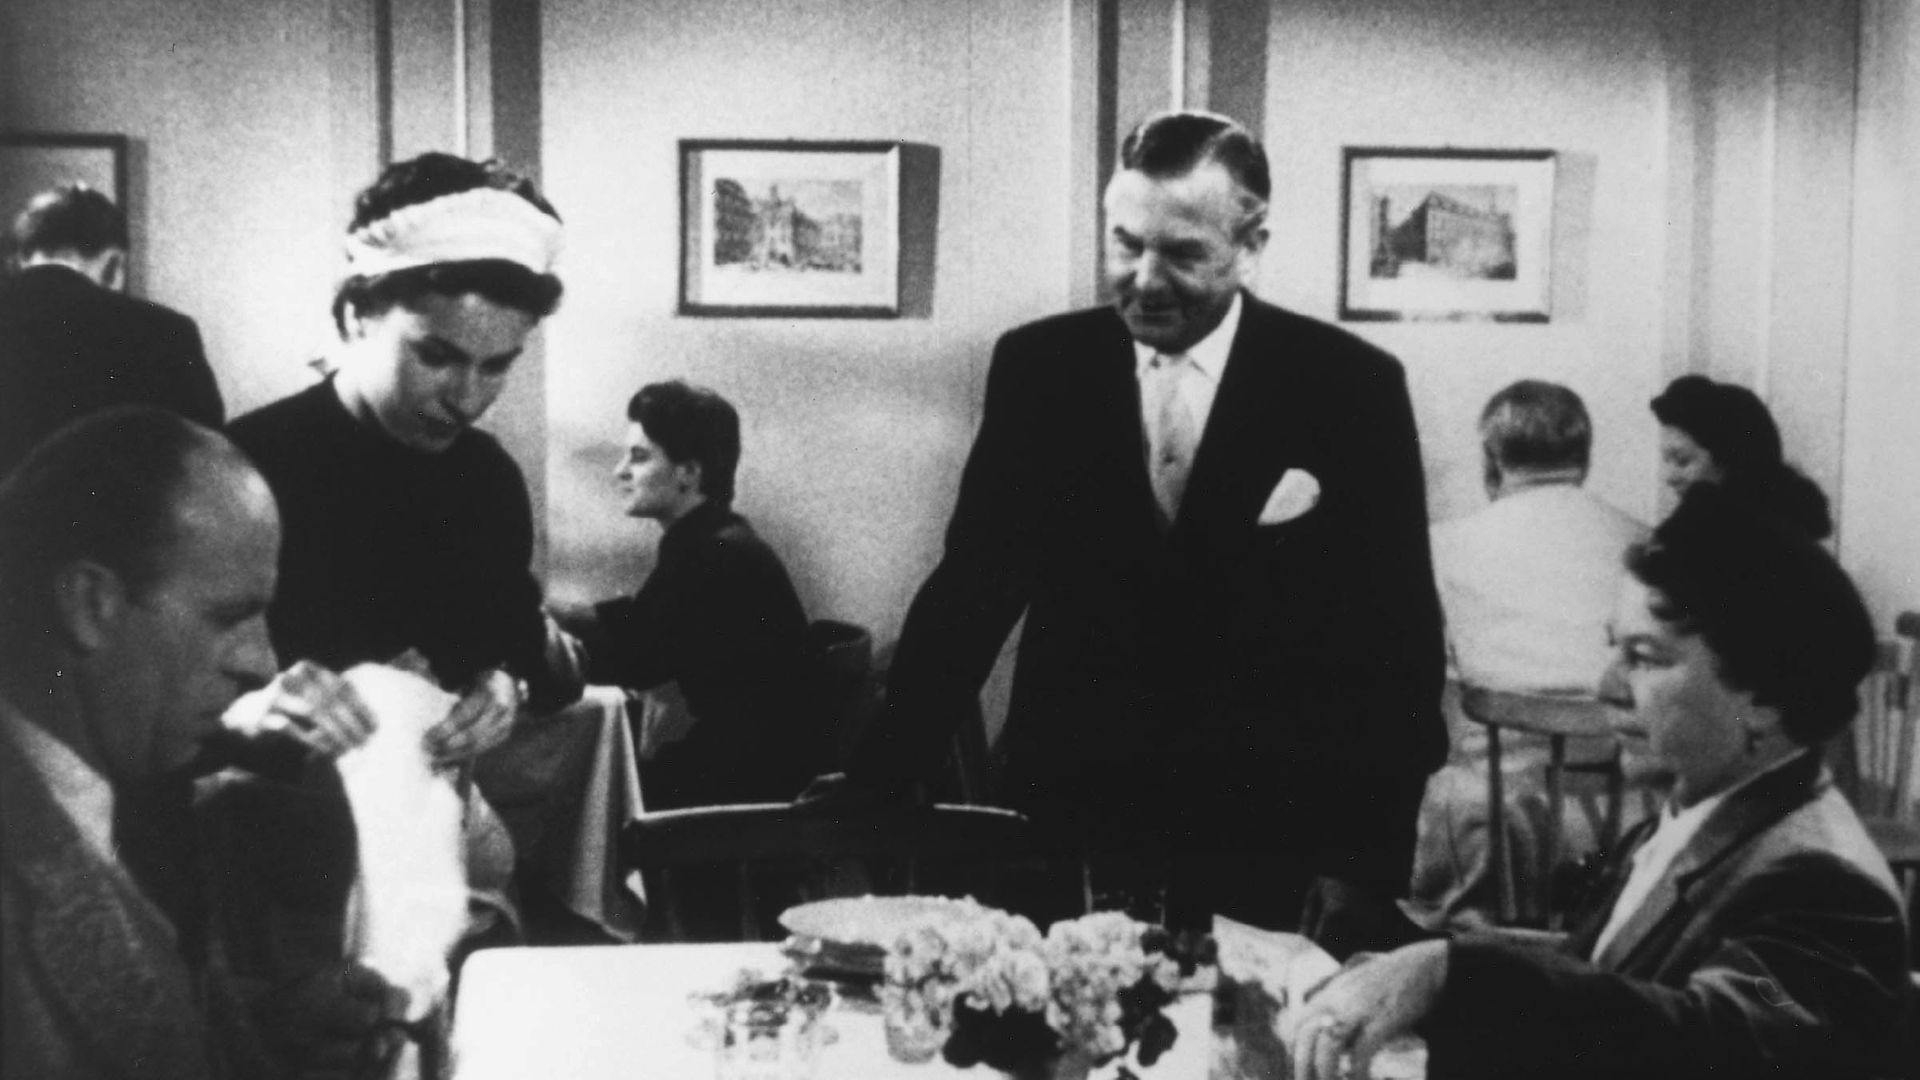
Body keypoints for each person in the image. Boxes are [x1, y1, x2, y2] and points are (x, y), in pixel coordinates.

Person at [825, 110, 1447, 952]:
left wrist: (1364, 860)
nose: (1145, 279)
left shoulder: (1349, 387)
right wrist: (881, 778)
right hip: (1069, 801)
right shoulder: (1041, 367)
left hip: (1269, 822)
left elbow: (1398, 641)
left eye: (1183, 253)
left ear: (1251, 244)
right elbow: (974, 585)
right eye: (1125, 244)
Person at [1286, 486, 1913, 1080]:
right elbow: (1597, 973)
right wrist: (1403, 945)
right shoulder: (1695, 816)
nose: (1606, 686)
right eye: (1614, 650)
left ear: (1765, 698)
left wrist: (1456, 973)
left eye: (1644, 658)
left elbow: (1710, 1041)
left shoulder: (1825, 883)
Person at [0, 407, 401, 1078]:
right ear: (90, 604)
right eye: (229, 616)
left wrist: (273, 1025)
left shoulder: (117, 788)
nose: (265, 664)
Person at [228, 151, 582, 765]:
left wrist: (503, 683)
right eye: (436, 357)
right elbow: (140, 712)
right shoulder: (242, 470)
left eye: (497, 365)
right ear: (355, 317)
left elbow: (536, 658)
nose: (468, 399)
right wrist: (258, 713)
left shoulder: (487, 480)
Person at [1410, 380, 1649, 926]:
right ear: (1584, 459)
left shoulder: (1442, 546)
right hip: (1630, 812)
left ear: (1491, 461)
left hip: (1494, 821)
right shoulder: (1649, 546)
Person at [569, 380, 826, 809]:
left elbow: (634, 659)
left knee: (583, 794)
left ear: (688, 472)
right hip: (752, 768)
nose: (620, 471)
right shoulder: (715, 537)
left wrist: (533, 621)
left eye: (638, 457)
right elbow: (643, 626)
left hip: (747, 787)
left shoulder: (714, 552)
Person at [0, 183, 224, 477]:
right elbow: (206, 451)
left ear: (20, 257)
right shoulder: (165, 331)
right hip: (117, 517)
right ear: (113, 262)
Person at [1650, 374, 1832, 539]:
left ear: (1732, 462)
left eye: (1683, 461)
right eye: (1666, 460)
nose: (1669, 477)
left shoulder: (1760, 552)